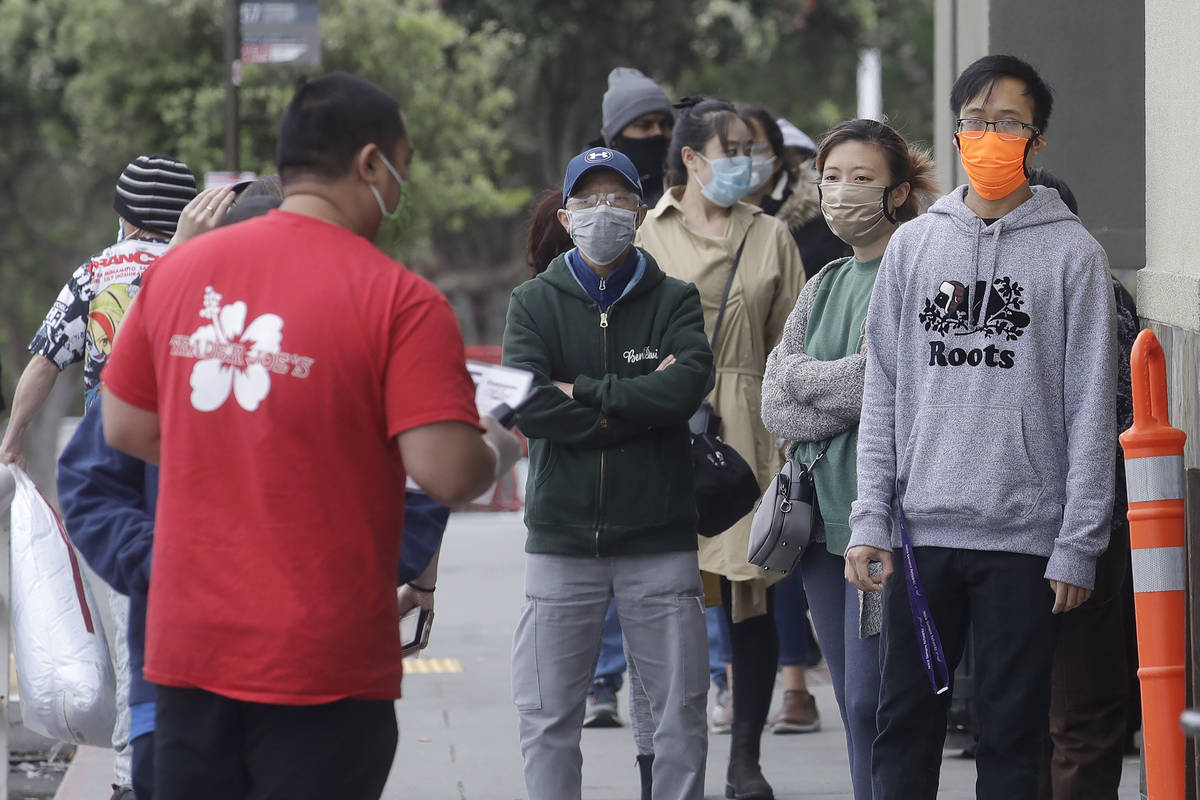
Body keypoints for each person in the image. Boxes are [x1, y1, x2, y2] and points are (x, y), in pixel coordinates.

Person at [99, 72, 522, 800]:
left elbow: (125, 425)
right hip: (322, 661)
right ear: (369, 165)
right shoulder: (400, 301)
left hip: (190, 650)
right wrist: (504, 444)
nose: (402, 183)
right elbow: (448, 472)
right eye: (404, 163)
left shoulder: (177, 273)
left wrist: (235, 448)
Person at [845, 55, 1117, 800]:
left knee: (1011, 736)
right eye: (974, 120)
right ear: (956, 129)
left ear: (1037, 138)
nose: (988, 135)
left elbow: (1090, 407)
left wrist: (1078, 544)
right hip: (918, 533)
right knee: (902, 725)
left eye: (1008, 123)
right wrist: (869, 515)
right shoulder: (914, 245)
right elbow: (886, 393)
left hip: (1025, 542)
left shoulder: (1073, 256)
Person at [502, 145, 713, 800]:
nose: (604, 212)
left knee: (678, 716)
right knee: (547, 715)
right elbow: (528, 407)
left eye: (618, 199)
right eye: (588, 200)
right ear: (565, 217)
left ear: (641, 212)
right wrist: (633, 401)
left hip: (660, 539)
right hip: (563, 541)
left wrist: (583, 391)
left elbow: (684, 394)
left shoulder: (675, 299)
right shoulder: (533, 302)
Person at [0, 153, 197, 800]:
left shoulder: (97, 274)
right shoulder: (206, 268)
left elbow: (44, 362)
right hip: (196, 466)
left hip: (115, 480)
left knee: (129, 617)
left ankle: (127, 775)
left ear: (127, 216)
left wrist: (14, 435)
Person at [636, 97, 807, 800]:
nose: (749, 161)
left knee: (750, 601)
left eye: (753, 148)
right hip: (668, 430)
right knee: (666, 602)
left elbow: (793, 346)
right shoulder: (649, 233)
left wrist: (792, 446)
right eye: (732, 149)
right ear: (692, 159)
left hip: (750, 428)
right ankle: (666, 762)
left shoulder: (770, 234)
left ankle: (745, 761)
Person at [761, 118, 937, 798]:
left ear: (898, 191)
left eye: (860, 179)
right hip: (816, 523)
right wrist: (830, 379)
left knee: (875, 701)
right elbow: (777, 399)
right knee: (855, 707)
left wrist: (810, 376)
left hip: (883, 520)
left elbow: (890, 381)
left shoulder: (917, 268)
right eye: (830, 177)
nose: (840, 193)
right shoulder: (827, 279)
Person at [1025, 167, 1138, 800]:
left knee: (1078, 713)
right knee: (1037, 713)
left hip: (1084, 526)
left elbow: (1105, 423)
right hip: (1008, 528)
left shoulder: (1097, 293)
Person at [743, 110, 850, 281]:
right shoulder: (712, 217)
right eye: (732, 150)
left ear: (778, 161)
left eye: (756, 149)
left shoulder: (825, 222)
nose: (745, 159)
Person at [594, 67, 675, 206]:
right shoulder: (591, 198)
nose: (658, 133)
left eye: (665, 124)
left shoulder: (687, 188)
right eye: (645, 126)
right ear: (615, 140)